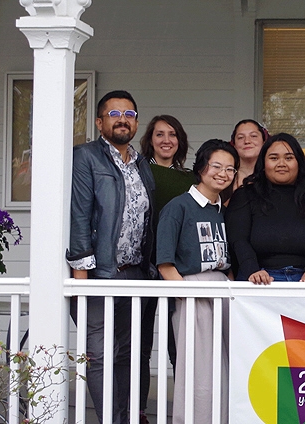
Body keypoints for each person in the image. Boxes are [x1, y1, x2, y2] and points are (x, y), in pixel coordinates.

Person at [67, 90, 155, 424]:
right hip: (101, 273)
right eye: (114, 113)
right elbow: (79, 214)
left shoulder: (141, 162)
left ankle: (124, 418)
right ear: (100, 122)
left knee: (126, 355)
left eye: (129, 113)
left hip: (134, 275)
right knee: (100, 355)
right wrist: (82, 276)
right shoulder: (86, 157)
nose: (122, 118)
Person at [156, 140, 237, 424]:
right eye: (216, 166)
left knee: (224, 367)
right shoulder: (178, 207)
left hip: (222, 296)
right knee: (198, 371)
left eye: (230, 169)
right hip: (191, 295)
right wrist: (185, 297)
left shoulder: (221, 211)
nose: (223, 173)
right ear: (201, 167)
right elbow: (165, 264)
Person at [138, 115, 194, 384]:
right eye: (159, 134)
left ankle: (185, 405)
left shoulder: (191, 179)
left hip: (177, 265)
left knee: (179, 339)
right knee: (140, 338)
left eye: (172, 134)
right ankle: (136, 408)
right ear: (150, 140)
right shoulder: (138, 173)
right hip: (143, 262)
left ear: (179, 140)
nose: (166, 140)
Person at [227, 133, 305, 283]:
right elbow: (238, 240)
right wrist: (253, 270)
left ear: (299, 162)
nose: (281, 163)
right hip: (259, 279)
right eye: (273, 158)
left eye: (289, 158)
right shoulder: (245, 195)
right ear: (263, 163)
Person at [229, 119, 269, 190]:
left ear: (264, 142)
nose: (247, 141)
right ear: (234, 144)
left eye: (253, 136)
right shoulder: (225, 176)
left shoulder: (272, 175)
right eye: (240, 137)